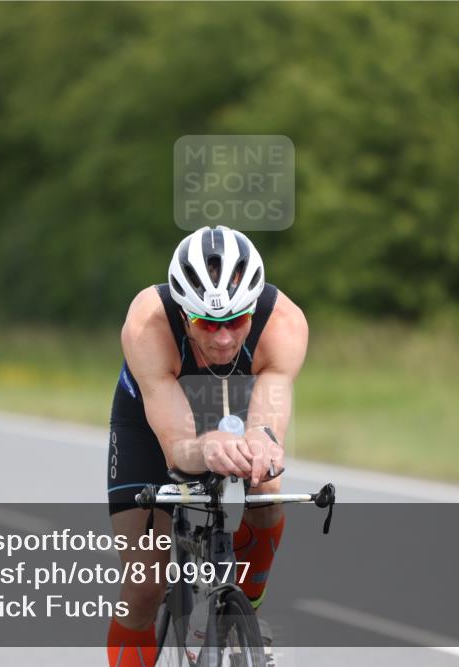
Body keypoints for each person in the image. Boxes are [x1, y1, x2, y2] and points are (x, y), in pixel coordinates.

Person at [106, 226, 308, 666]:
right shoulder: (148, 324)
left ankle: (245, 612)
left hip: (236, 405)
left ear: (254, 308)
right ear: (182, 314)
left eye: (236, 321)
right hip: (153, 422)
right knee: (143, 586)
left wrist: (263, 443)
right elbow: (178, 449)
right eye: (207, 322)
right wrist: (204, 448)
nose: (223, 338)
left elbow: (267, 424)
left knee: (267, 492)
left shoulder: (284, 323)